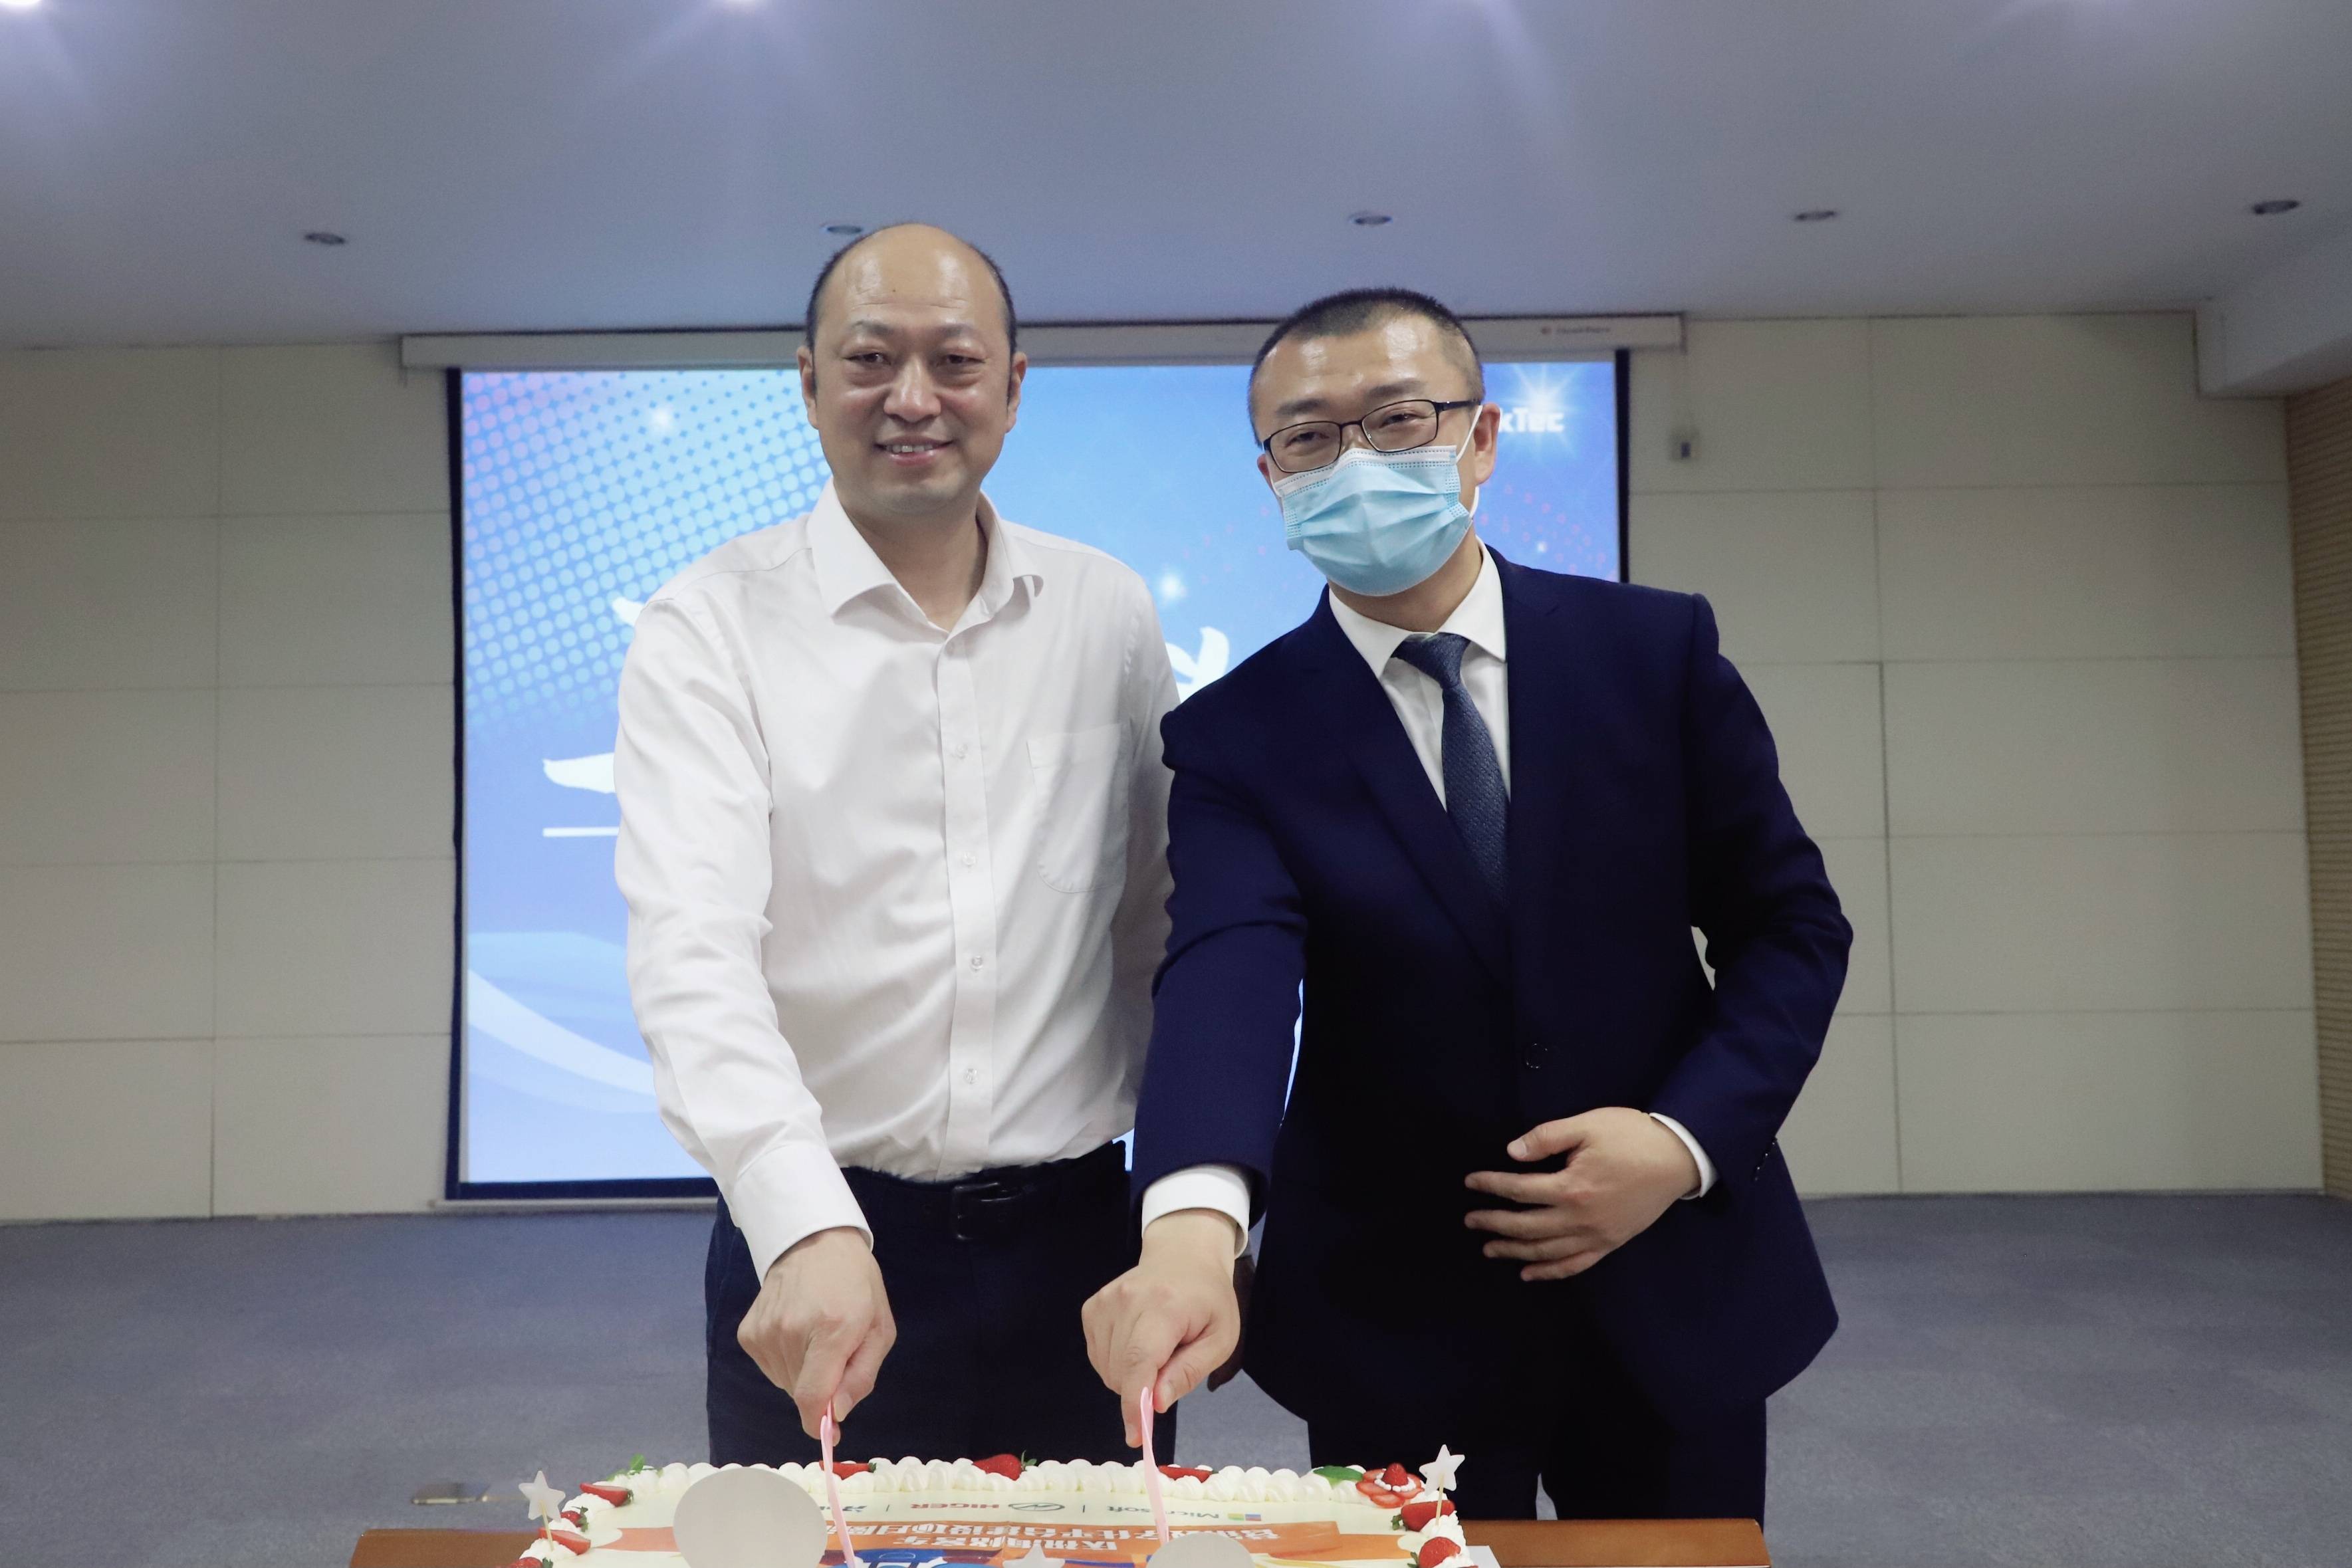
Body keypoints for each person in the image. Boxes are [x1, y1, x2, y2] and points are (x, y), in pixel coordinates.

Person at [1082, 288, 1847, 1521]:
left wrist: (1682, 1141)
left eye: (1397, 420)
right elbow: (1228, 971)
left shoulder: (1650, 653)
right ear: (1272, 478)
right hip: (1391, 1305)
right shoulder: (1235, 733)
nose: (1354, 463)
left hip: (1667, 1269)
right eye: (1308, 438)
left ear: (1480, 439)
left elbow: (1788, 928)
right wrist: (1189, 1228)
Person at [616, 223, 1178, 1464]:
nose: (913, 398)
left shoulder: (1105, 610)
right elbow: (692, 951)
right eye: (870, 359)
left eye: (955, 362)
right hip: (818, 1243)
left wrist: (1187, 1205)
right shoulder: (707, 625)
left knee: (1100, 1553)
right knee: (812, 1550)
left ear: (1013, 388)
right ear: (809, 381)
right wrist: (802, 1220)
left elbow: (1156, 925)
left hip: (1082, 1249)